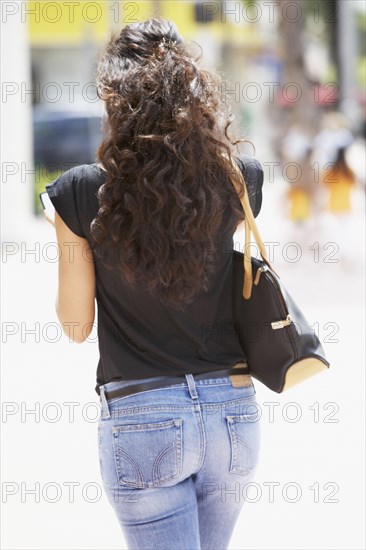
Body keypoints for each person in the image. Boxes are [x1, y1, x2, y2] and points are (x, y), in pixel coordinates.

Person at [44, 17, 263, 550]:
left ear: (109, 95)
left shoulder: (78, 192)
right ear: (194, 91)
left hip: (143, 418)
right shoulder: (241, 178)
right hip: (231, 414)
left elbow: (75, 326)